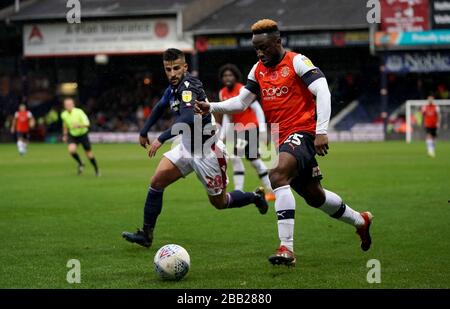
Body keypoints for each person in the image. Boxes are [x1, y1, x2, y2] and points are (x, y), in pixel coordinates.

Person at [195, 19, 373, 266]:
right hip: (282, 137)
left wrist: (321, 131)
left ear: (278, 42)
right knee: (314, 196)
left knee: (276, 175)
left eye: (264, 47)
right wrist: (211, 105)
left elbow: (323, 91)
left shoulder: (297, 61)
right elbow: (241, 102)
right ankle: (361, 221)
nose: (260, 53)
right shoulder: (257, 69)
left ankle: (286, 249)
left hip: (304, 131)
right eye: (256, 48)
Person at [122, 48, 269, 248]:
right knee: (156, 183)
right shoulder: (173, 88)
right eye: (168, 69)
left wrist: (162, 137)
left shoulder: (190, 87)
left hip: (208, 153)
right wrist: (144, 130)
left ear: (185, 67)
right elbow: (160, 106)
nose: (172, 73)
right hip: (186, 147)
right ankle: (146, 234)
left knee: (220, 203)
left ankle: (254, 196)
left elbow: (188, 117)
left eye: (176, 68)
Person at [218, 64, 275, 201]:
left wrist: (262, 130)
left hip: (250, 128)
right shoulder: (222, 93)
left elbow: (257, 109)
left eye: (230, 75)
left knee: (247, 159)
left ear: (236, 77)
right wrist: (222, 136)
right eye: (225, 75)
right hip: (235, 130)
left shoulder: (243, 89)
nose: (228, 78)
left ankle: (269, 191)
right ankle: (240, 191)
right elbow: (228, 116)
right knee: (241, 160)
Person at [61, 98, 100, 176]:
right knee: (71, 150)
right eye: (66, 105)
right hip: (73, 135)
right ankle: (81, 163)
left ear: (73, 105)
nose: (68, 106)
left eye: (69, 104)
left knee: (89, 154)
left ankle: (97, 170)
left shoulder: (79, 112)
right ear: (64, 106)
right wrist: (65, 135)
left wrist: (79, 125)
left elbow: (88, 124)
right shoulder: (63, 114)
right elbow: (65, 125)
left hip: (83, 134)